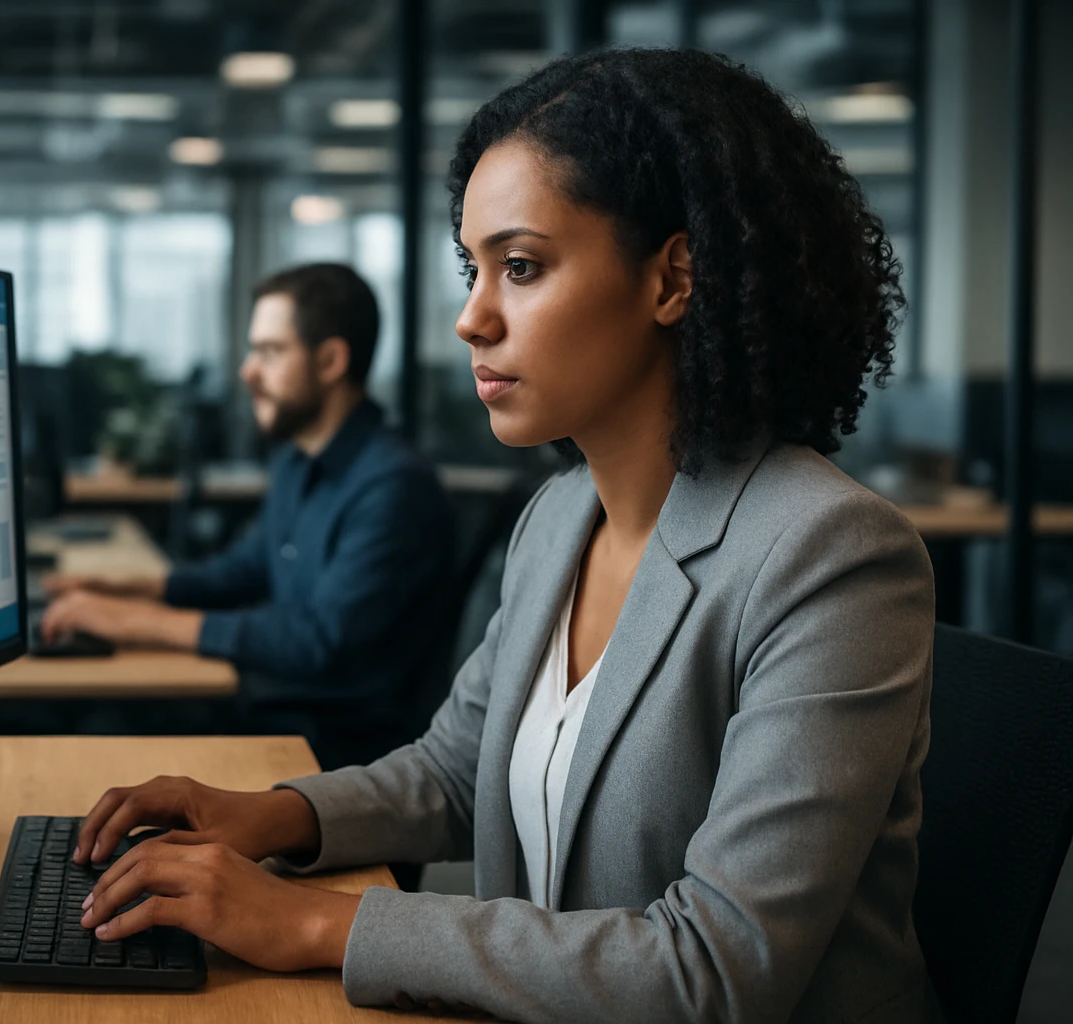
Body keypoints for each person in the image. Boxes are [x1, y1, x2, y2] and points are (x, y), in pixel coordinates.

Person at [65, 48, 945, 1023]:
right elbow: (455, 765)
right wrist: (270, 814)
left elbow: (715, 970)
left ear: (673, 278)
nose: (471, 319)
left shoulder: (831, 556)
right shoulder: (559, 517)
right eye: (472, 269)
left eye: (520, 267)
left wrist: (317, 924)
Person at [42, 262, 456, 770]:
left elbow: (319, 643)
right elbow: (242, 571)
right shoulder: (297, 459)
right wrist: (123, 589)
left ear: (330, 361)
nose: (247, 371)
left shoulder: (393, 485)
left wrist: (136, 623)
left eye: (270, 351)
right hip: (276, 709)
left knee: (96, 738)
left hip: (331, 753)